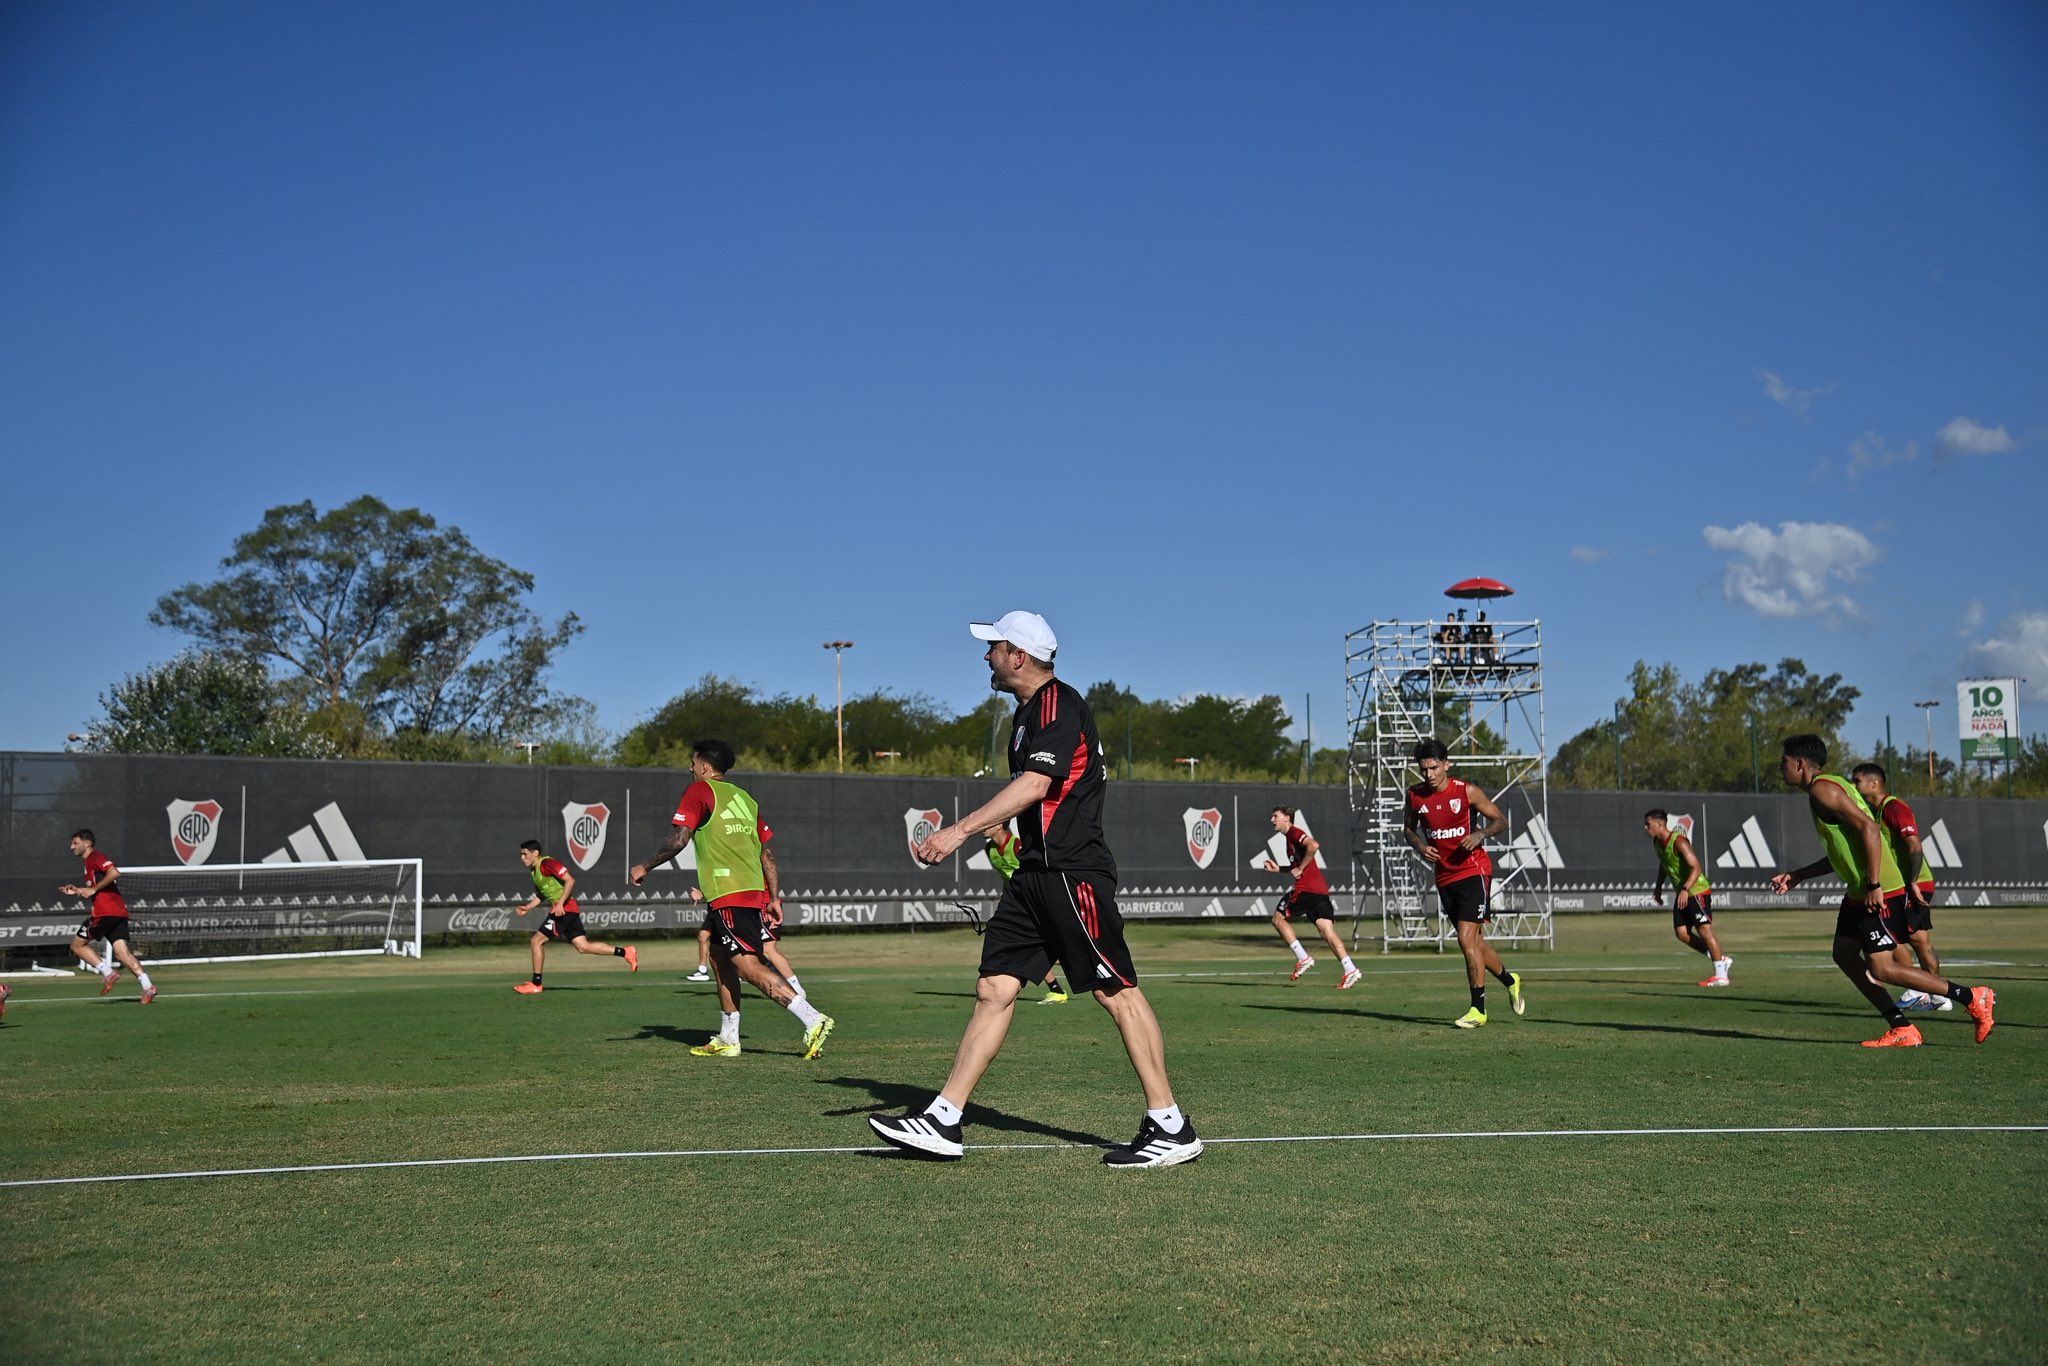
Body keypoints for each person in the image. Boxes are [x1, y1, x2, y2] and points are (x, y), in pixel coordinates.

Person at [868, 611, 1200, 1167]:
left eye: (993, 647)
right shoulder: (1026, 714)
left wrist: (957, 832)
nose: (986, 656)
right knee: (994, 988)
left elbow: (1038, 784)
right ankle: (944, 1119)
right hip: (1033, 876)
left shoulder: (1058, 705)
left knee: (1114, 991)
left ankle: (1171, 1125)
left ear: (1018, 655)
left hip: (1072, 872)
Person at [1769, 735, 1993, 1047]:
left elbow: (1870, 829)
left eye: (1783, 762)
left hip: (1879, 888)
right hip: (1860, 890)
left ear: (1799, 763)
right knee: (1844, 954)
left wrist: (1874, 884)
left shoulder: (1823, 789)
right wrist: (1798, 875)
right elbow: (1845, 850)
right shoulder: (1827, 789)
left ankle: (1972, 996)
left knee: (1883, 967)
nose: (1780, 768)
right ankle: (1901, 1026)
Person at [630, 739, 834, 1060]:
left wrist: (645, 865)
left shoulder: (699, 791)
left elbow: (679, 838)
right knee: (719, 958)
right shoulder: (745, 798)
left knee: (748, 964)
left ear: (705, 767)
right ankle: (728, 1037)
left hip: (729, 892)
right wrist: (774, 897)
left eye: (693, 763)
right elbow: (767, 854)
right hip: (745, 891)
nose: (690, 768)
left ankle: (812, 1019)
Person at [1404, 739, 1523, 1027]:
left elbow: (1501, 821)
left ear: (1447, 765)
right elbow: (1408, 829)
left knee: (1465, 939)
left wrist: (1481, 835)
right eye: (1424, 769)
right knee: (1476, 944)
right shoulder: (1415, 796)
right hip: (1444, 877)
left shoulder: (1466, 791)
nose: (1429, 774)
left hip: (1474, 871)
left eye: (1434, 767)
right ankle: (1510, 979)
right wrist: (1421, 847)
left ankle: (1478, 1010)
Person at [1850, 762, 1949, 1014]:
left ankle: (1935, 994)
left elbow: (1915, 847)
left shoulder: (1894, 807)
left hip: (1916, 883)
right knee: (1904, 938)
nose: (1853, 785)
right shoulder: (1874, 812)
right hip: (1901, 885)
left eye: (1857, 781)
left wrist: (1914, 882)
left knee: (1917, 939)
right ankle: (1929, 991)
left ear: (1874, 783)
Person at [512, 841, 637, 992]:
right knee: (583, 947)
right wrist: (528, 907)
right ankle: (625, 952)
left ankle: (536, 984)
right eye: (521, 854)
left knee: (536, 941)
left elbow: (570, 880)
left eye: (525, 854)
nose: (522, 857)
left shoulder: (547, 863)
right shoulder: (535, 872)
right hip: (568, 910)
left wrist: (560, 904)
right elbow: (543, 895)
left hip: (564, 910)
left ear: (536, 853)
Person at [1261, 806, 1360, 989]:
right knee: (1326, 931)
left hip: (1306, 889)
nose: (1272, 820)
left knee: (1277, 919)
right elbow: (1297, 868)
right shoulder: (1288, 839)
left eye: (1275, 816)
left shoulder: (1293, 833)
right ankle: (1350, 969)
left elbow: (1313, 846)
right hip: (1319, 890)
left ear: (1287, 818)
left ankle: (1302, 957)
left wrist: (1301, 867)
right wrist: (1280, 869)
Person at [61, 830, 156, 1004]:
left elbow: (114, 873)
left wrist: (93, 889)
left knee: (77, 945)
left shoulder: (95, 857)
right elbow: (98, 886)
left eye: (75, 843)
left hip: (105, 912)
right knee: (122, 954)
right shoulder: (89, 863)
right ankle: (148, 987)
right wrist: (79, 890)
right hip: (118, 912)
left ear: (87, 843)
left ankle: (108, 973)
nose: (71, 847)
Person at [1643, 810, 1732, 986]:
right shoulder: (1657, 842)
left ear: (1660, 824)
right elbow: (1665, 864)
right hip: (1683, 892)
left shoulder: (1679, 841)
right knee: (1682, 933)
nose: (1645, 827)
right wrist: (1659, 887)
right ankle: (1720, 959)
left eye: (1648, 824)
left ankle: (1721, 975)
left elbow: (1696, 867)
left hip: (1696, 890)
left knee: (1704, 931)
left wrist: (1685, 889)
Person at [986, 825, 1069, 1004]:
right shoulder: (989, 849)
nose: (983, 827)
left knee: (1042, 948)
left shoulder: (1017, 845)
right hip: (1017, 905)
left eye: (989, 823)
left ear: (1000, 825)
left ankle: (1067, 970)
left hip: (1035, 902)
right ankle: (1056, 989)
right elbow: (1006, 878)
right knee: (1027, 950)